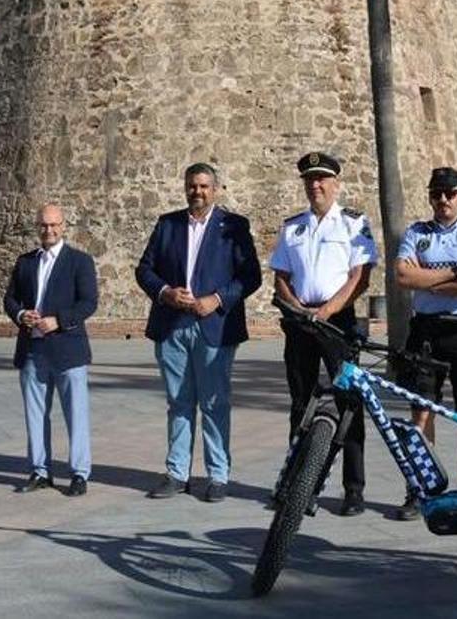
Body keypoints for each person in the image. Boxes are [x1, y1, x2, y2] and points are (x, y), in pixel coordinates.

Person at [135, 162, 262, 502]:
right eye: (193, 185)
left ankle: (218, 476)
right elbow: (144, 269)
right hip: (173, 325)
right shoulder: (167, 225)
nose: (198, 191)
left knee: (214, 403)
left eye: (204, 186)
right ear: (185, 187)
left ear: (215, 189)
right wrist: (165, 292)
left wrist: (217, 299)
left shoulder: (234, 226)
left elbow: (251, 276)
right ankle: (177, 473)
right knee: (179, 403)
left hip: (214, 327)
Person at [269, 152, 378, 516]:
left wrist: (327, 310)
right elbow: (280, 276)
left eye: (322, 179)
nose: (315, 185)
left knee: (350, 404)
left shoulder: (353, 223)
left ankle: (354, 489)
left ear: (335, 183)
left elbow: (360, 277)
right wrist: (299, 309)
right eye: (309, 180)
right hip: (300, 322)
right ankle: (297, 485)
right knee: (300, 403)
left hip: (338, 323)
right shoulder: (292, 227)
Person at [392, 166, 457, 520]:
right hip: (426, 331)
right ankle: (420, 489)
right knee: (421, 414)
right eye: (436, 193)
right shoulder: (417, 232)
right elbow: (403, 276)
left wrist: (428, 280)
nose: (443, 200)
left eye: (450, 193)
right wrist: (454, 273)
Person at [3, 204, 99, 496]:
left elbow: (88, 302)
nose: (49, 230)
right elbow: (10, 299)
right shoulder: (26, 262)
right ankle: (39, 470)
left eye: (54, 225)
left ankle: (79, 473)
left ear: (63, 226)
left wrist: (58, 321)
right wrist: (21, 316)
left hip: (68, 349)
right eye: (44, 225)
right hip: (33, 348)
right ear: (37, 226)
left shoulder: (79, 261)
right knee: (35, 414)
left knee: (76, 413)